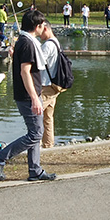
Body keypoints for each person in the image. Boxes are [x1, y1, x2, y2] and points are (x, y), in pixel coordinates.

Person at [0, 10, 57, 182]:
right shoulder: (27, 43)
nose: (44, 28)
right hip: (28, 96)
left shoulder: (25, 41)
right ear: (37, 26)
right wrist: (34, 97)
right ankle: (0, 157)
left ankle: (35, 170)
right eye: (42, 25)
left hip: (32, 93)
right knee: (36, 134)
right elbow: (25, 72)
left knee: (35, 132)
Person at [40, 20, 64, 148]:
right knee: (48, 117)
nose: (39, 34)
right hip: (55, 85)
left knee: (35, 115)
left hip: (46, 86)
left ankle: (35, 144)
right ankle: (48, 144)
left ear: (45, 29)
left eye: (40, 31)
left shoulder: (48, 45)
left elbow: (37, 63)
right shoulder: (56, 43)